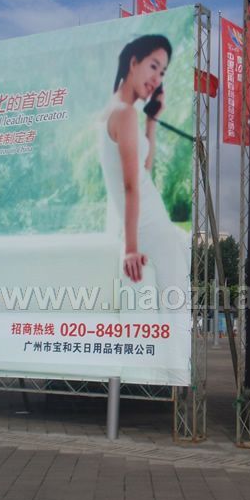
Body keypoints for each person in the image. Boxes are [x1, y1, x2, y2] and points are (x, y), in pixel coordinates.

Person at [98, 35, 190, 310]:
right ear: (133, 62)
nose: (157, 79)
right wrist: (130, 249)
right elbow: (130, 187)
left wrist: (152, 120)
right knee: (176, 308)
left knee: (173, 305)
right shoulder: (125, 113)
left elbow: (142, 171)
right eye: (153, 66)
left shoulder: (116, 112)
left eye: (162, 73)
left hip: (150, 226)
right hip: (150, 229)